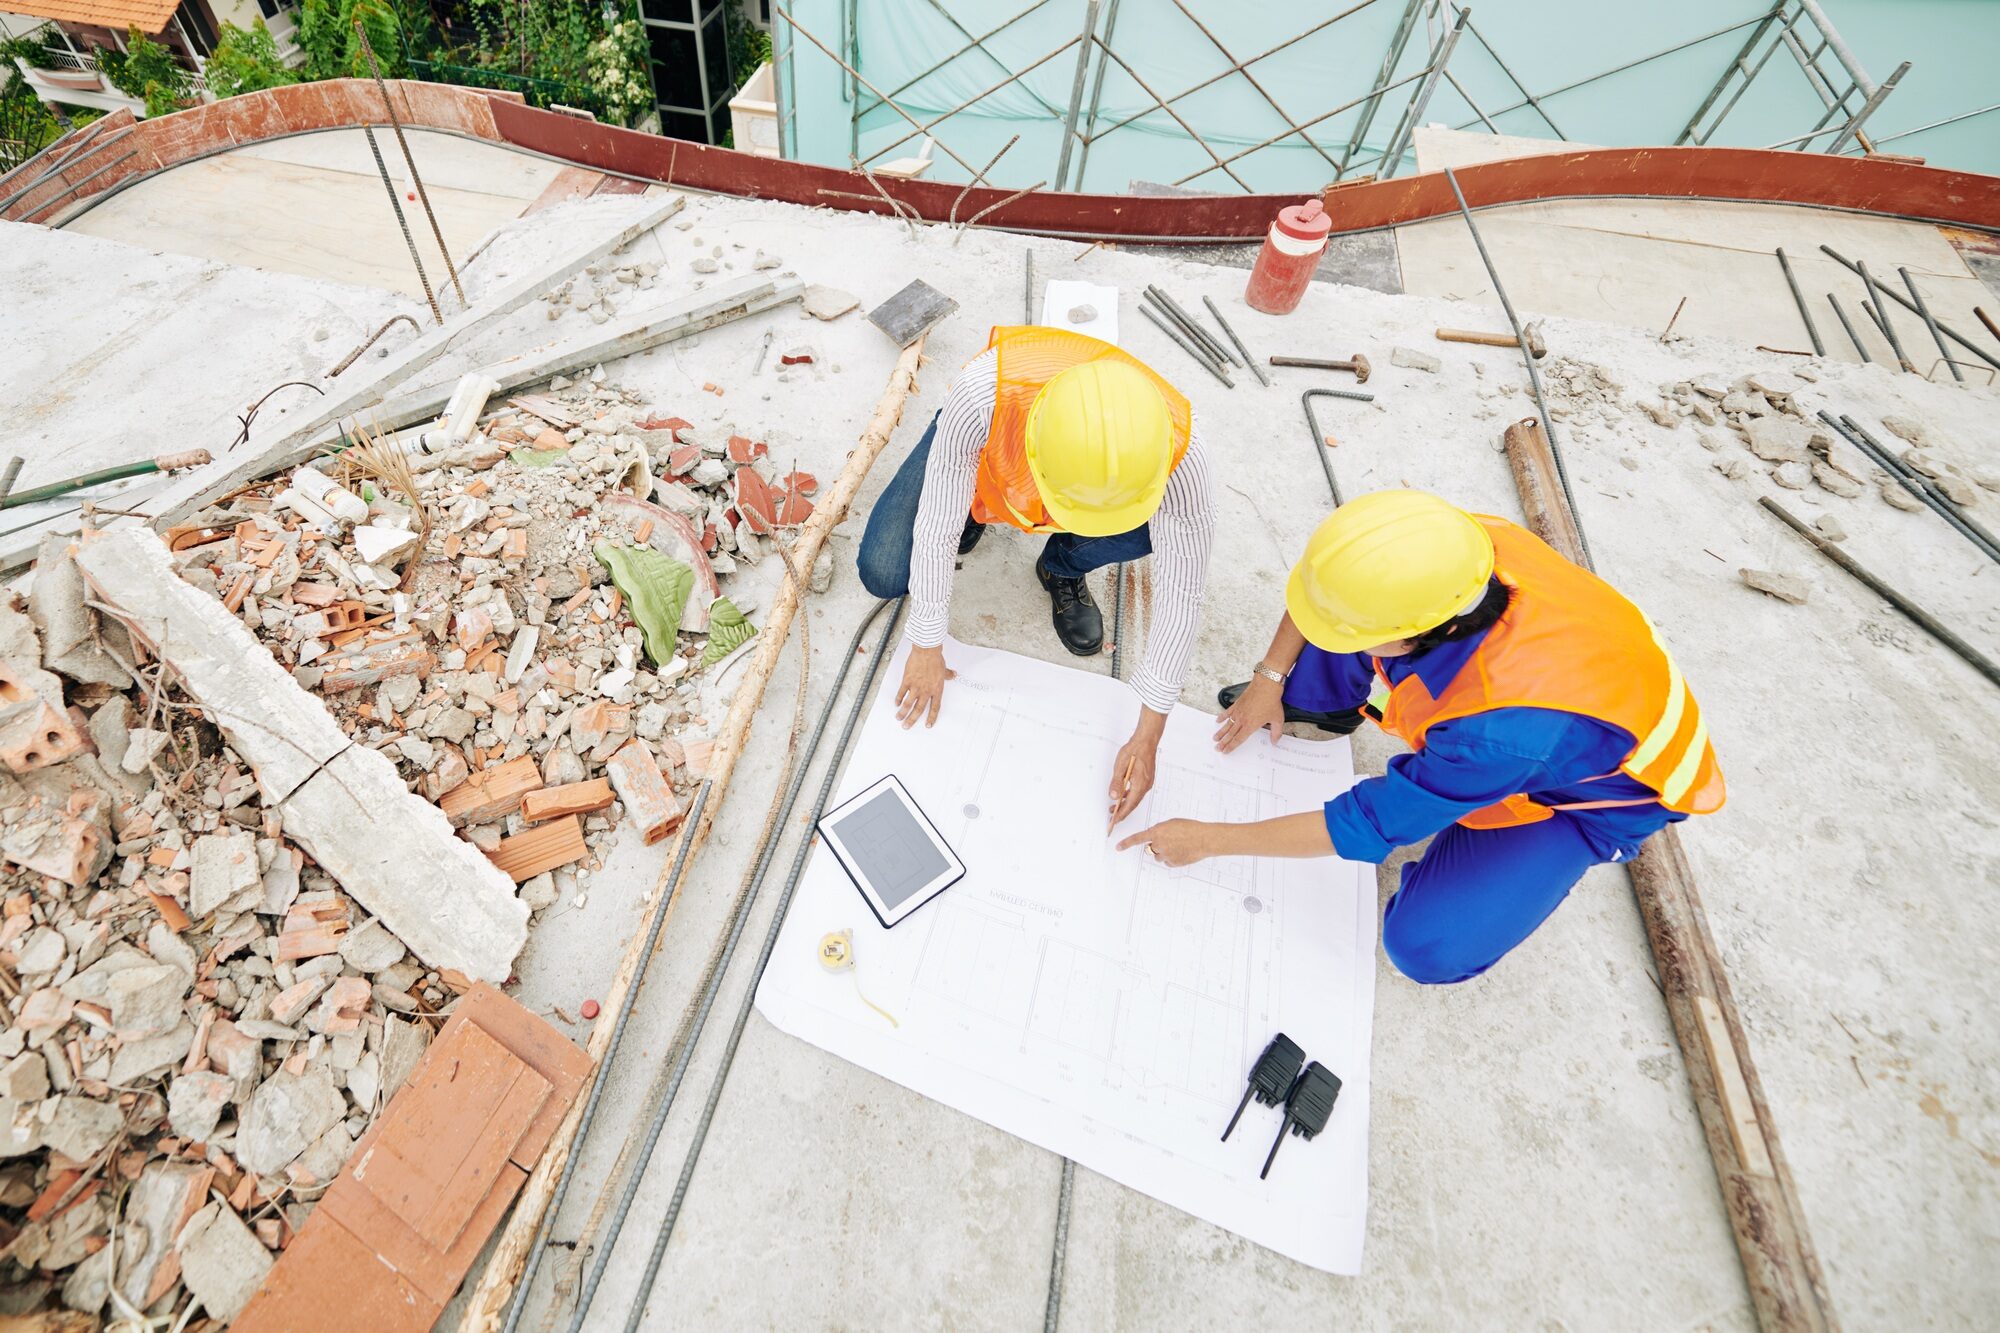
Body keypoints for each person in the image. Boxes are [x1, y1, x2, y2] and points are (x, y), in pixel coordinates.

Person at [1116, 489, 1725, 985]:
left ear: (1430, 634)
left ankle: (1490, 847)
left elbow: (1365, 823)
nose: (1331, 632)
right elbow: (1320, 595)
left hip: (1590, 800)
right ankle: (1326, 704)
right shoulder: (1442, 550)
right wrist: (1269, 679)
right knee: (1344, 618)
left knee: (1427, 947)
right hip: (1562, 701)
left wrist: (1208, 839)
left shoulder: (1494, 733)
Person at [857, 326, 1216, 824]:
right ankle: (977, 506)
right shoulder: (983, 395)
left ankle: (1061, 565)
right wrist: (926, 643)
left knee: (1154, 531)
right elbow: (936, 524)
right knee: (884, 570)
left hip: (1041, 478)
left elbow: (1182, 593)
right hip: (982, 453)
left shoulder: (1179, 453)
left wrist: (1149, 733)